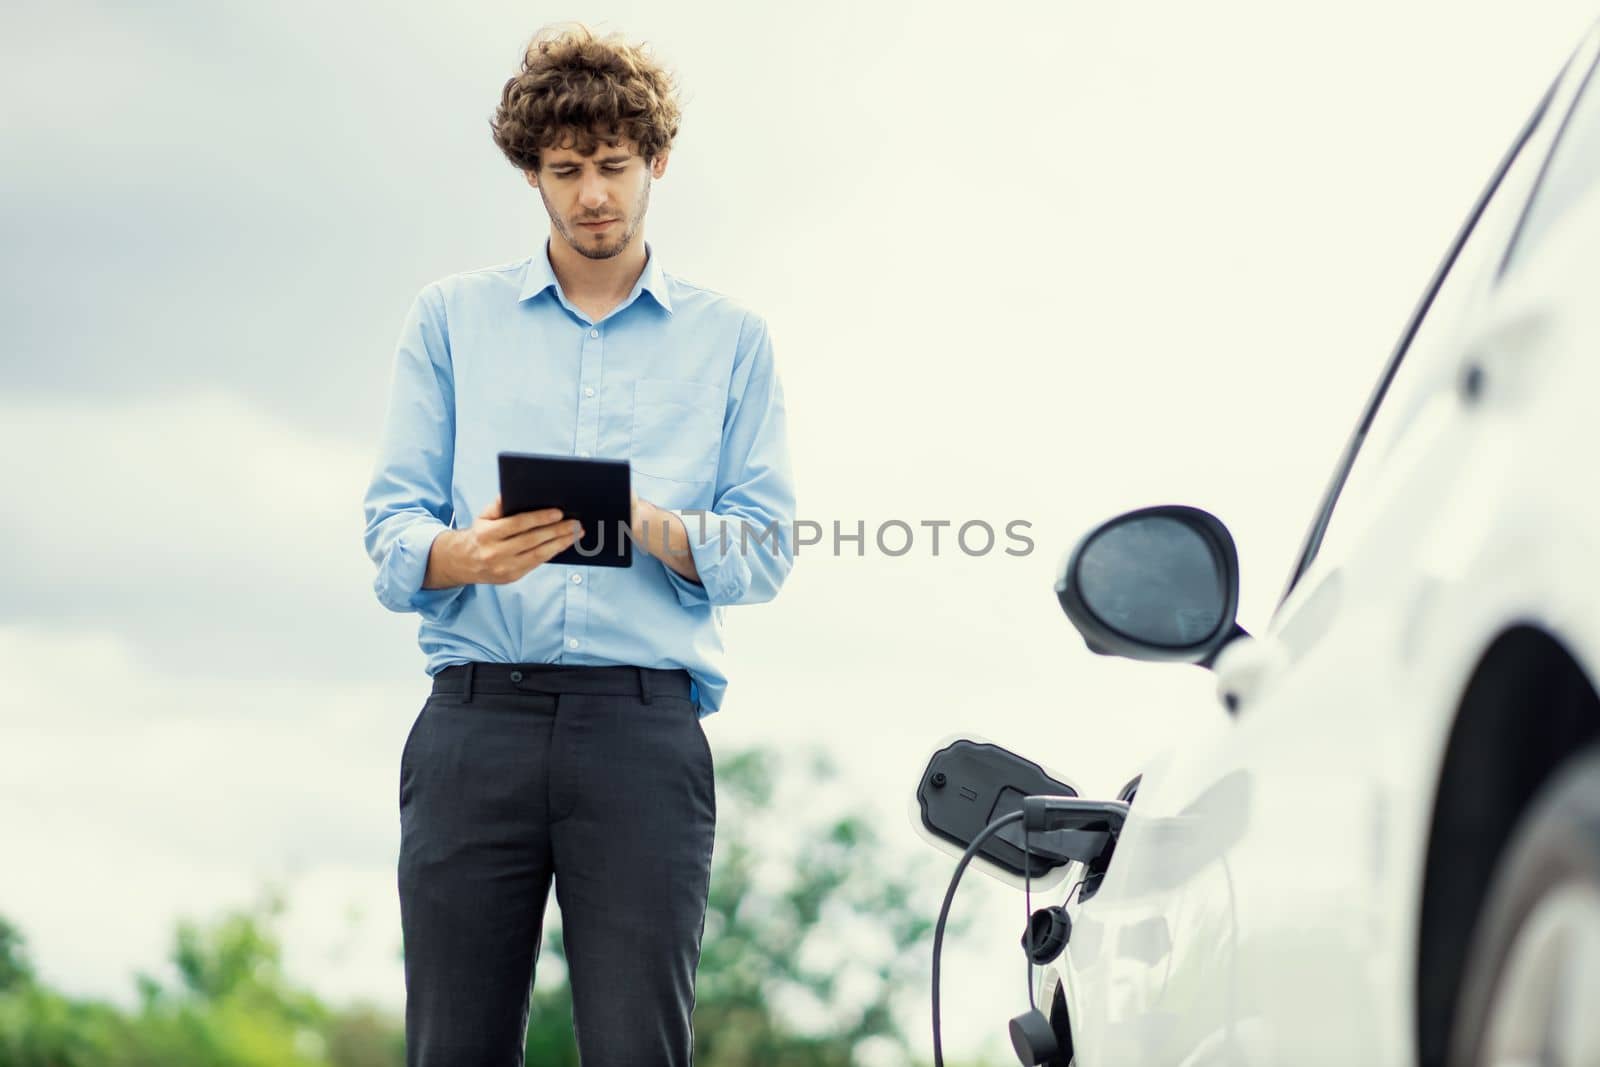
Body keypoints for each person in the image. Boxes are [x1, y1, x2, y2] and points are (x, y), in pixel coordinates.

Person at [360, 22, 796, 1066]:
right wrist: (467, 555)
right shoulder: (448, 320)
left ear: (657, 160)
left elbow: (767, 548)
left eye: (612, 166)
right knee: (451, 1049)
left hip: (642, 734)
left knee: (638, 1050)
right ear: (531, 175)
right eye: (565, 171)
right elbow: (389, 532)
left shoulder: (731, 338)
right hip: (475, 724)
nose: (592, 193)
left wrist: (649, 524)